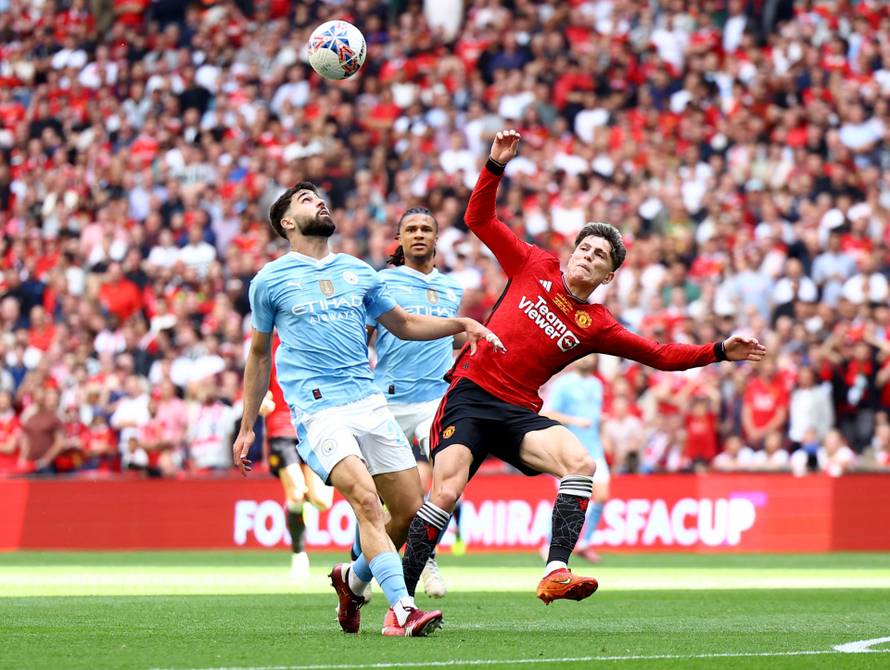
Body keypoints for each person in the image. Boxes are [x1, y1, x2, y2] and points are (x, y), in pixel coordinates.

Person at [400, 130, 766, 608]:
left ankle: (555, 570)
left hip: (516, 413)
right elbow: (479, 219)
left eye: (599, 256)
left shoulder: (598, 324)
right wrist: (495, 165)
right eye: (585, 248)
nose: (588, 257)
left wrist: (718, 350)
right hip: (470, 395)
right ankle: (399, 601)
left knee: (581, 464)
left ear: (608, 275)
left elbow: (659, 354)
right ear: (572, 252)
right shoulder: (533, 263)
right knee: (445, 493)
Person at [232, 181, 503, 637]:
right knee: (366, 503)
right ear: (287, 222)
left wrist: (462, 323)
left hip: (370, 402)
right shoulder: (270, 280)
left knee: (410, 510)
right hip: (320, 409)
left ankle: (353, 580)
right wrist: (246, 427)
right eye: (306, 200)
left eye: (320, 197)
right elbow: (259, 355)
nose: (320, 201)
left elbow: (405, 324)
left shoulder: (358, 271)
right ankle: (402, 610)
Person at [367, 207, 466, 598]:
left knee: (446, 482)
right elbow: (364, 335)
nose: (419, 234)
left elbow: (450, 336)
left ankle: (426, 557)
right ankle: (363, 567)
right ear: (400, 238)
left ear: (437, 238)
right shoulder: (381, 282)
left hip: (435, 402)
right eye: (411, 229)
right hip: (388, 400)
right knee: (381, 498)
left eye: (427, 228)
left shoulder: (451, 288)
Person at [257, 334, 334, 581]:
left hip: (314, 426)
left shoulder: (316, 336)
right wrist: (260, 399)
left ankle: (301, 510)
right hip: (281, 428)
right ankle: (299, 555)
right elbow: (255, 378)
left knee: (322, 501)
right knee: (296, 492)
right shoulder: (268, 341)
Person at [543, 355, 608, 563]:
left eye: (591, 356)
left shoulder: (597, 384)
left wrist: (603, 435)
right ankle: (547, 544)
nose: (587, 359)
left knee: (602, 495)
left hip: (594, 449)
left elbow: (596, 417)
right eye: (584, 355)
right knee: (567, 499)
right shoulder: (563, 384)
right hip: (570, 449)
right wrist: (574, 421)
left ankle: (584, 543)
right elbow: (548, 413)